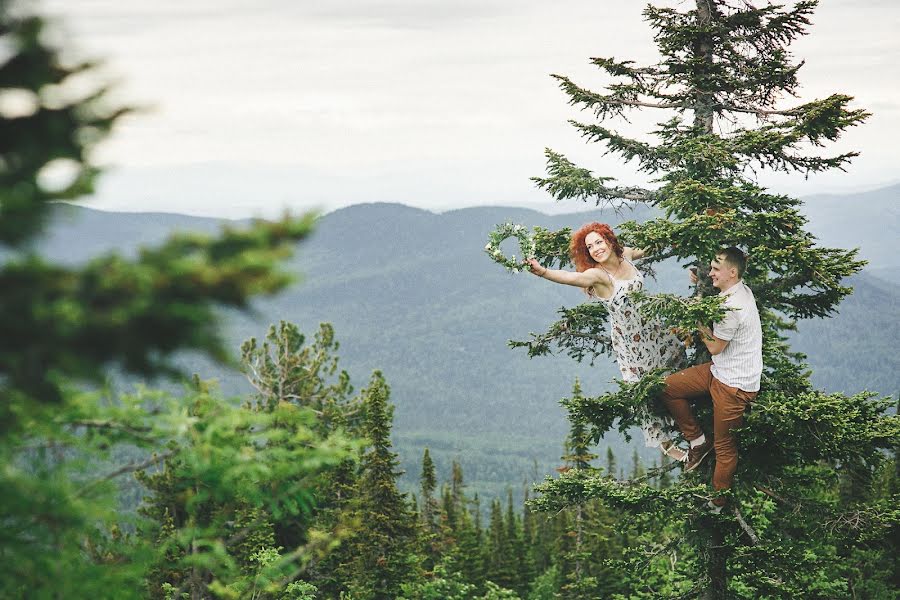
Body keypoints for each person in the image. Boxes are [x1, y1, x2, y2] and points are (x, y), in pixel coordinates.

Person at [526, 222, 688, 461]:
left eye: (598, 242)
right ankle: (668, 446)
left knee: (676, 360)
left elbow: (647, 248)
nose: (595, 249)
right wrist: (542, 271)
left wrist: (675, 236)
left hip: (653, 330)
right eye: (590, 247)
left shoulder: (627, 257)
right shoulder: (598, 276)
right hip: (631, 343)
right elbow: (570, 277)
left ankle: (688, 419)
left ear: (610, 241)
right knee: (643, 389)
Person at [659, 247, 762, 511]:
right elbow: (718, 353)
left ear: (732, 272)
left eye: (716, 270)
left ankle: (717, 504)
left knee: (725, 448)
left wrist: (697, 320)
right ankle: (697, 441)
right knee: (668, 387)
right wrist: (702, 280)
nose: (711, 273)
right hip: (720, 371)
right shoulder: (739, 288)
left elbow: (715, 347)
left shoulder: (732, 306)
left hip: (734, 385)